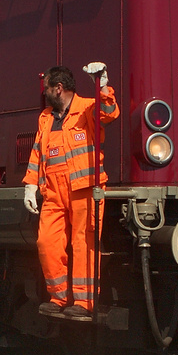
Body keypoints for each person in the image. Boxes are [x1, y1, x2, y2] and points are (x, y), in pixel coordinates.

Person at [23, 62, 118, 320]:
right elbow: (38, 153)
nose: (44, 93)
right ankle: (59, 297)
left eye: (47, 89)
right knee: (46, 243)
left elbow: (109, 113)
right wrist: (31, 184)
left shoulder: (87, 108)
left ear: (59, 88)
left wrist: (103, 86)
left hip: (84, 188)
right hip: (53, 192)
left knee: (83, 243)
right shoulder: (46, 117)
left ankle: (84, 301)